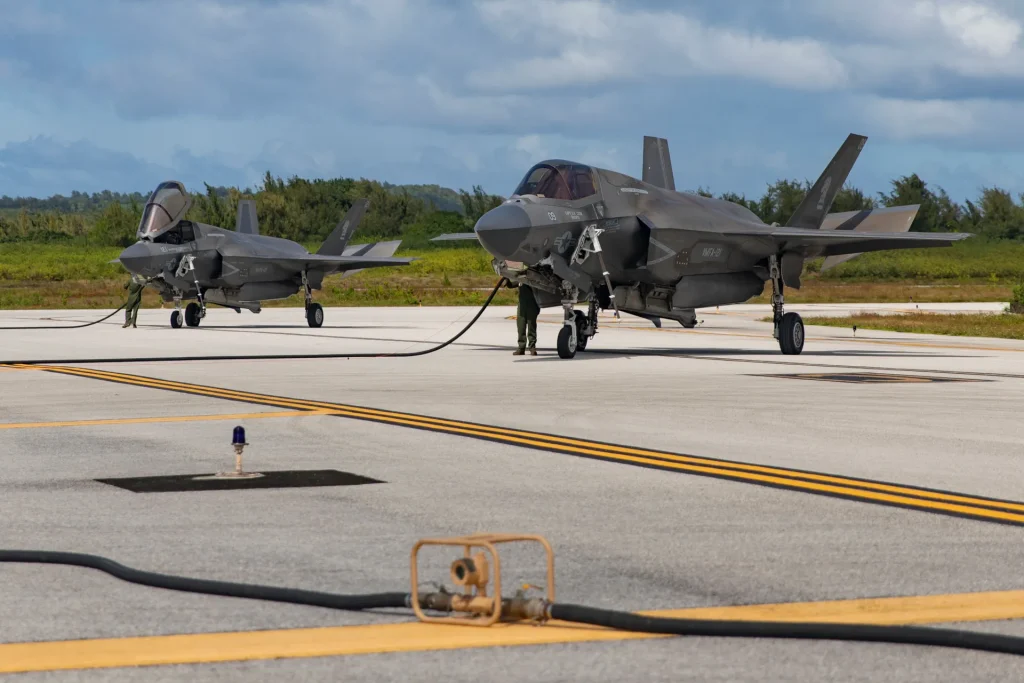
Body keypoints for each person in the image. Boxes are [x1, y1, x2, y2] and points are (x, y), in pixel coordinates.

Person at [513, 281, 539, 355]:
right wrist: (507, 281)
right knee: (521, 327)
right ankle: (521, 348)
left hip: (532, 306)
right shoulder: (520, 280)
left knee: (532, 327)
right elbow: (513, 284)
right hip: (522, 307)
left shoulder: (533, 279)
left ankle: (532, 347)